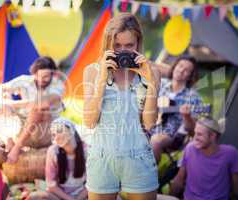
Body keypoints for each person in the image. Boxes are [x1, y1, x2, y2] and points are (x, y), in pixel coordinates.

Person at [83, 13, 160, 200]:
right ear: (108, 44)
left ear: (138, 44)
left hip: (139, 158)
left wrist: (151, 85)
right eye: (117, 46)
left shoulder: (151, 71)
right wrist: (102, 78)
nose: (123, 51)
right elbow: (89, 121)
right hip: (102, 157)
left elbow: (149, 124)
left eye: (129, 46)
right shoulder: (92, 71)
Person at [150, 56, 204, 162]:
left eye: (187, 70)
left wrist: (187, 116)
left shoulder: (193, 97)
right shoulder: (161, 83)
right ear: (174, 67)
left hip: (171, 135)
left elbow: (192, 130)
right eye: (180, 66)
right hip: (148, 126)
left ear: (190, 76)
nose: (182, 70)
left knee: (155, 141)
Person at [170, 117, 238, 200]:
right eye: (195, 133)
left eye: (199, 134)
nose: (195, 138)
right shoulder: (190, 149)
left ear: (213, 136)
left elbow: (236, 186)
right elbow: (179, 180)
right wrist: (170, 197)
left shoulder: (230, 153)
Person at [27, 117, 87, 200]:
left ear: (72, 130)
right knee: (34, 197)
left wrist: (78, 198)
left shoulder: (87, 151)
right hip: (59, 196)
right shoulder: (53, 151)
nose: (56, 137)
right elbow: (51, 185)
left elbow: (93, 183)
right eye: (54, 135)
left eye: (59, 131)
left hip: (82, 194)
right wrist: (69, 199)